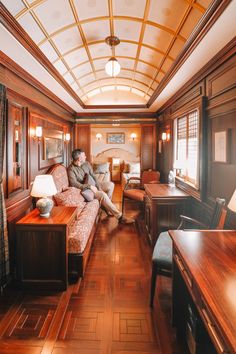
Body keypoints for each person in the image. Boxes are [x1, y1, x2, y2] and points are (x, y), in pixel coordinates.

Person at [67, 149, 134, 224]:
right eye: (84, 155)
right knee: (102, 195)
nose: (85, 157)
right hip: (87, 190)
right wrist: (89, 186)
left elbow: (93, 176)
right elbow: (74, 184)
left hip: (94, 185)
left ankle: (106, 208)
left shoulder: (86, 164)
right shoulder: (71, 169)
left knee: (111, 185)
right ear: (79, 158)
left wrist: (99, 187)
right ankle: (120, 216)